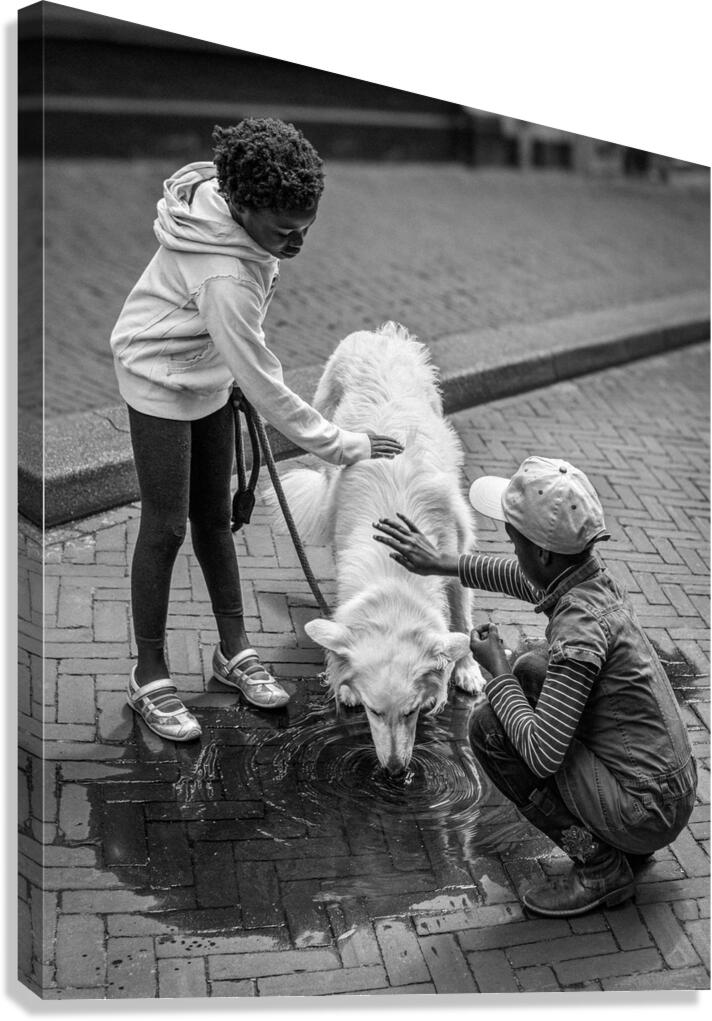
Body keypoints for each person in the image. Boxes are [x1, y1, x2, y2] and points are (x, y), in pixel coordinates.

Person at [111, 117, 403, 743]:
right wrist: (342, 445)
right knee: (164, 526)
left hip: (208, 371)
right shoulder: (226, 275)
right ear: (242, 207)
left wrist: (228, 369)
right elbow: (269, 384)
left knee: (214, 518)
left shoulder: (246, 233)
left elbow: (243, 349)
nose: (297, 241)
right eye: (285, 229)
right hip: (157, 377)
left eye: (307, 226)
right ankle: (149, 672)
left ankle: (233, 649)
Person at [372, 456, 697, 917]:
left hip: (644, 808)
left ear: (543, 553)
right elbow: (522, 579)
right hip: (666, 791)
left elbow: (543, 753)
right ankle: (620, 843)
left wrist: (496, 672)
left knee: (489, 726)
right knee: (533, 672)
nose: (512, 548)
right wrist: (438, 562)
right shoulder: (589, 583)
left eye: (514, 539)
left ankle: (600, 864)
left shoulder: (579, 631)